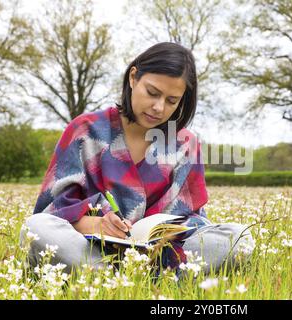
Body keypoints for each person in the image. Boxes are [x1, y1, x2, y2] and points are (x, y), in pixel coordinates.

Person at [19, 42, 254, 277]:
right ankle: (133, 277)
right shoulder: (85, 130)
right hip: (92, 248)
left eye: (172, 101)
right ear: (133, 77)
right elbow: (51, 210)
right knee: (36, 228)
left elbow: (194, 220)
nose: (158, 107)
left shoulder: (185, 145)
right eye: (152, 93)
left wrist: (168, 233)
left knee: (239, 238)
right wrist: (92, 224)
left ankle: (109, 278)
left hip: (162, 254)